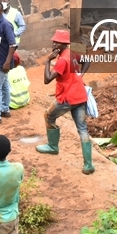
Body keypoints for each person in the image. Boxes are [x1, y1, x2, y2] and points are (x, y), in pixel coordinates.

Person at [36, 30, 95, 174]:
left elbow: (46, 79)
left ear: (64, 44)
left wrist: (48, 60)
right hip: (79, 95)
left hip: (67, 97)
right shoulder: (72, 52)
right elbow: (87, 60)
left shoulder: (62, 60)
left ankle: (53, 146)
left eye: (57, 42)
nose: (54, 44)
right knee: (82, 129)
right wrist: (80, 76)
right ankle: (88, 165)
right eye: (54, 41)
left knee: (48, 116)